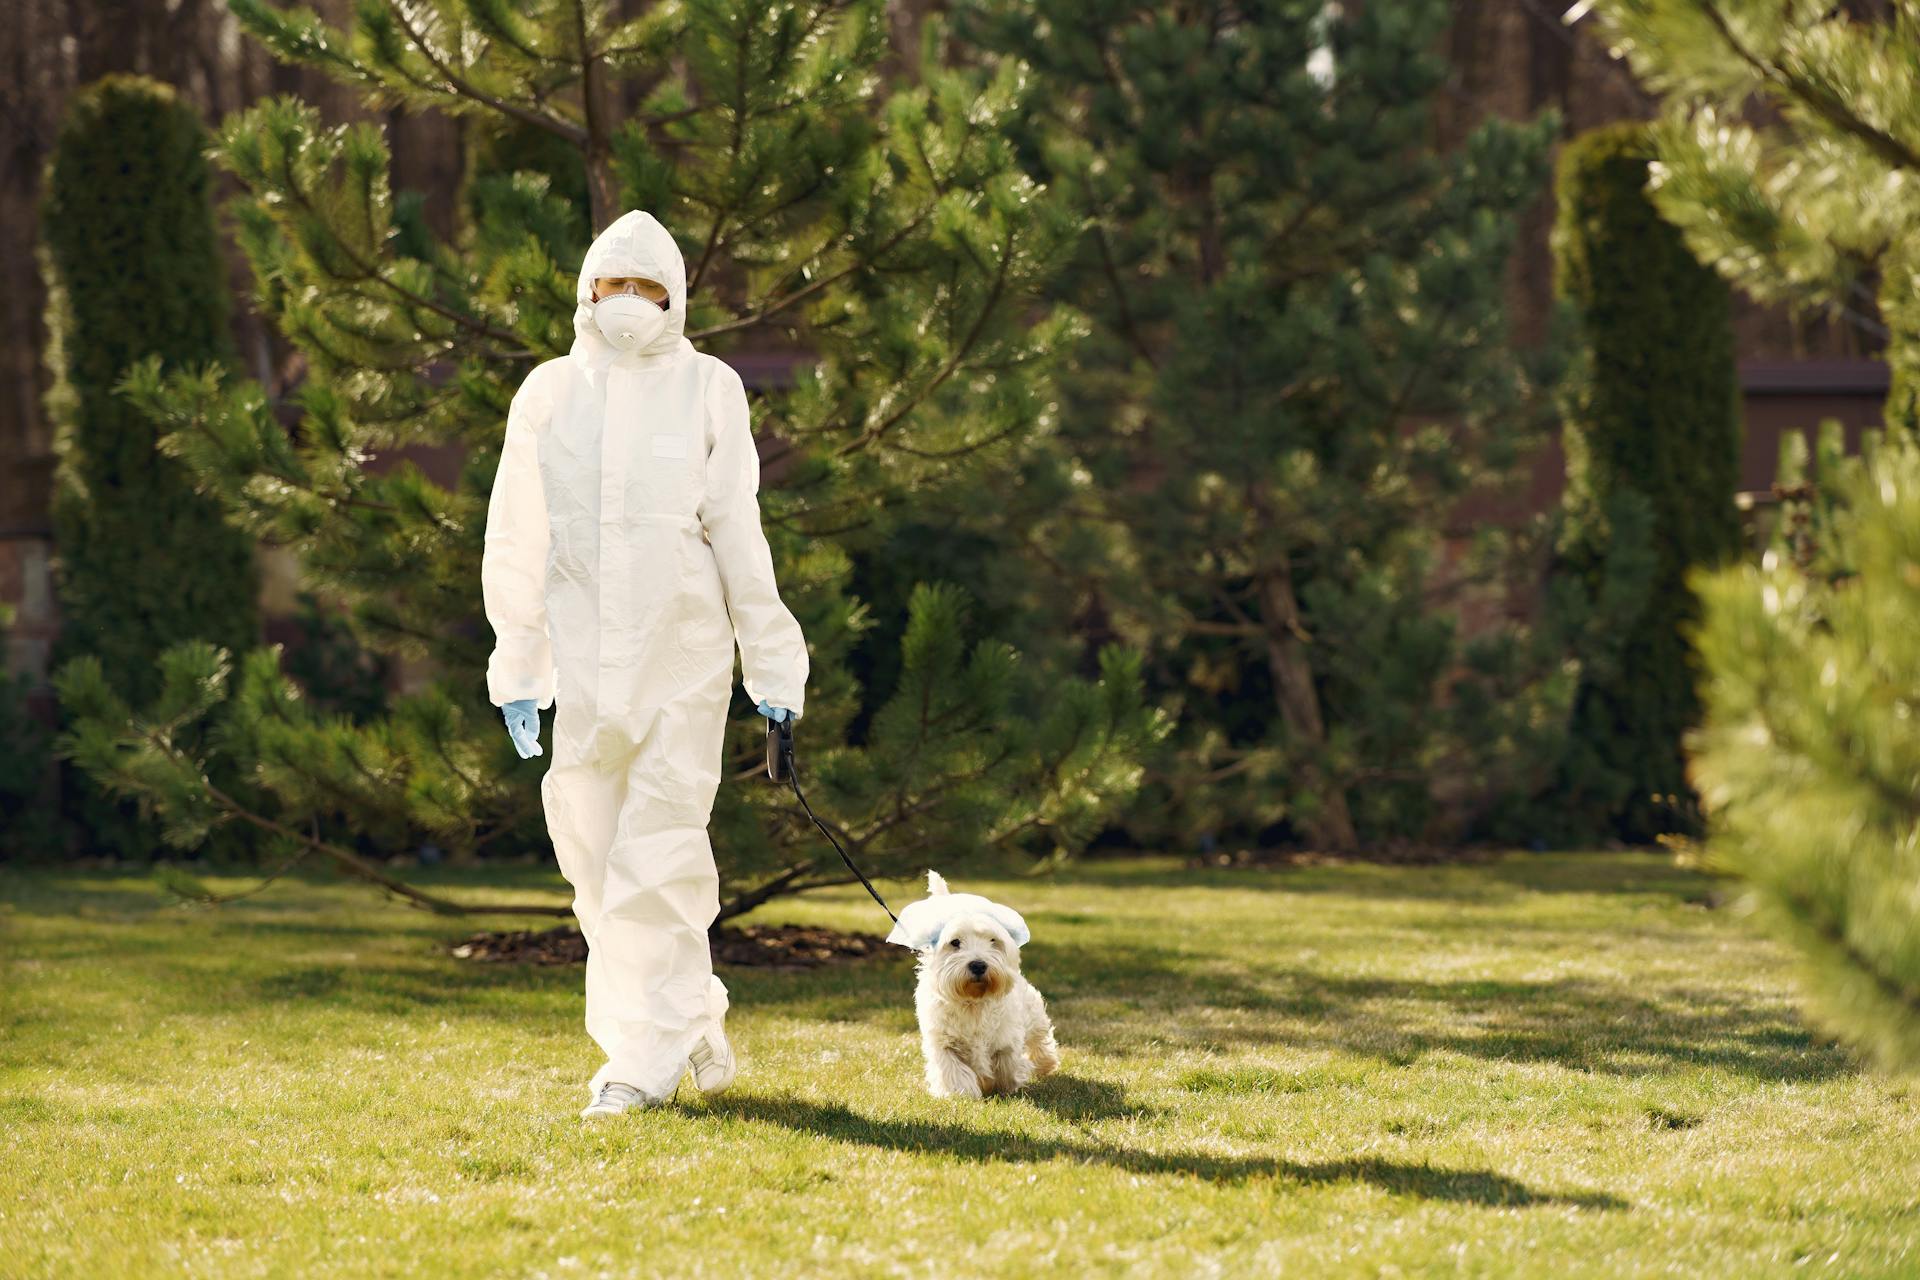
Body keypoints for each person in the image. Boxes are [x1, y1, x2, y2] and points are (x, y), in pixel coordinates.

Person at [481, 209, 809, 1119]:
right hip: (584, 667)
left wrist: (773, 670)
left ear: (676, 297)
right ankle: (690, 1017)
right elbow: (516, 533)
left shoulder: (709, 387)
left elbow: (739, 531)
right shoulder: (548, 393)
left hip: (681, 660)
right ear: (588, 292)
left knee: (659, 857)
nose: (631, 301)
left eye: (648, 286)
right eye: (614, 284)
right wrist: (519, 663)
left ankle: (642, 1062)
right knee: (591, 864)